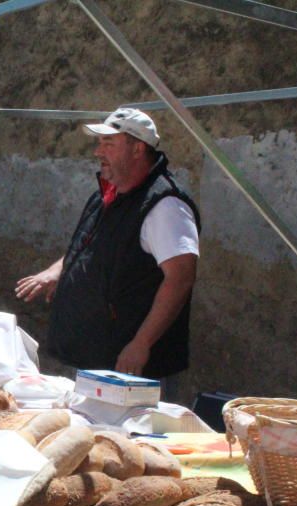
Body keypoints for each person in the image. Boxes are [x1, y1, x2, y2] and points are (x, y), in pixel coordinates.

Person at [15, 108, 200, 383]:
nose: (98, 152)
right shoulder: (109, 193)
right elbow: (88, 246)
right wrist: (57, 271)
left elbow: (181, 278)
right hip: (92, 354)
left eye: (109, 144)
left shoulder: (165, 206)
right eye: (100, 143)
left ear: (138, 149)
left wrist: (141, 343)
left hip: (127, 365)